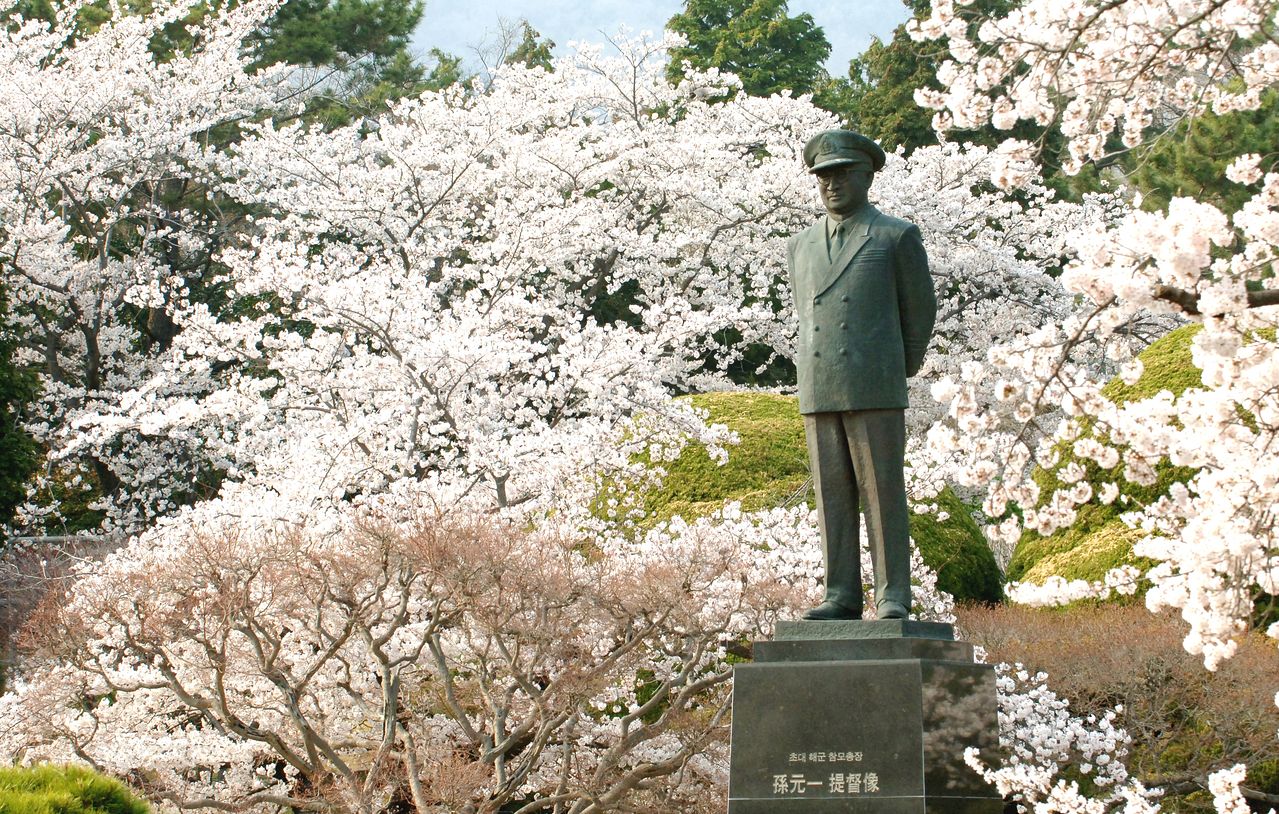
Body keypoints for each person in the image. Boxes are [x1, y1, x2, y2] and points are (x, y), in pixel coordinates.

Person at [786, 129, 936, 621]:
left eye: (843, 173)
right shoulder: (801, 246)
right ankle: (841, 593)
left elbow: (919, 311)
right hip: (819, 382)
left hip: (874, 382)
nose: (832, 185)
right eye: (823, 177)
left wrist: (898, 366)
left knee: (882, 492)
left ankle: (893, 593)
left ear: (867, 176)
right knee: (831, 496)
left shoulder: (894, 235)